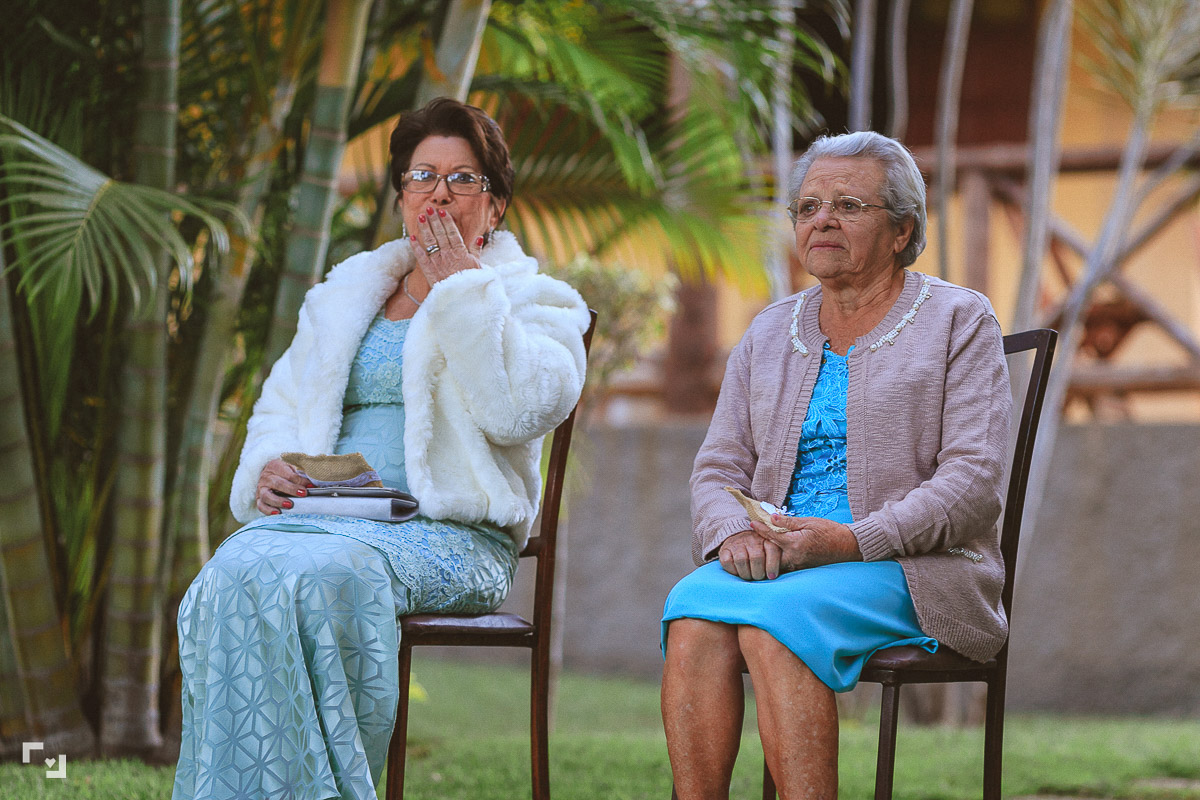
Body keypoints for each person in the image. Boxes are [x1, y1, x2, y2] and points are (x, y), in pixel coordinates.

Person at [172, 98, 590, 800]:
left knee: (322, 574)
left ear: (496, 207)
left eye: (464, 180)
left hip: (453, 535)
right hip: (323, 520)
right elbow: (282, 405)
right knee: (232, 567)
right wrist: (268, 467)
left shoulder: (534, 302)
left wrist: (461, 286)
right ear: (399, 195)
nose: (439, 194)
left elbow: (518, 410)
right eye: (422, 175)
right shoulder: (347, 296)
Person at [660, 130, 1012, 799]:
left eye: (848, 205)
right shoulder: (768, 331)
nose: (822, 219)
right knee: (692, 611)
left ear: (903, 229)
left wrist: (851, 541)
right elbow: (718, 467)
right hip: (788, 562)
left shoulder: (959, 321)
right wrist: (730, 535)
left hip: (918, 567)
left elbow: (973, 482)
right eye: (808, 207)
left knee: (776, 624)